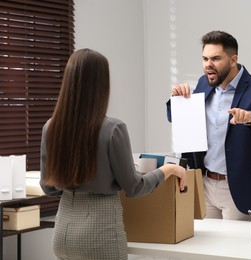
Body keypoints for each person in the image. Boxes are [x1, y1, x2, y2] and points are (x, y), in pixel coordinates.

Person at [40, 48, 187, 260]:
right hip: (99, 235)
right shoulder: (113, 128)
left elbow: (49, 187)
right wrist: (169, 169)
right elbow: (135, 187)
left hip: (62, 234)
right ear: (101, 84)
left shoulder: (50, 127)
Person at [166, 31, 251, 220]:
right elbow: (179, 121)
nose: (208, 64)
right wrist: (177, 101)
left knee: (240, 249)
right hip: (205, 184)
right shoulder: (203, 83)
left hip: (240, 189)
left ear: (233, 60)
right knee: (206, 247)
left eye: (215, 58)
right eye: (205, 58)